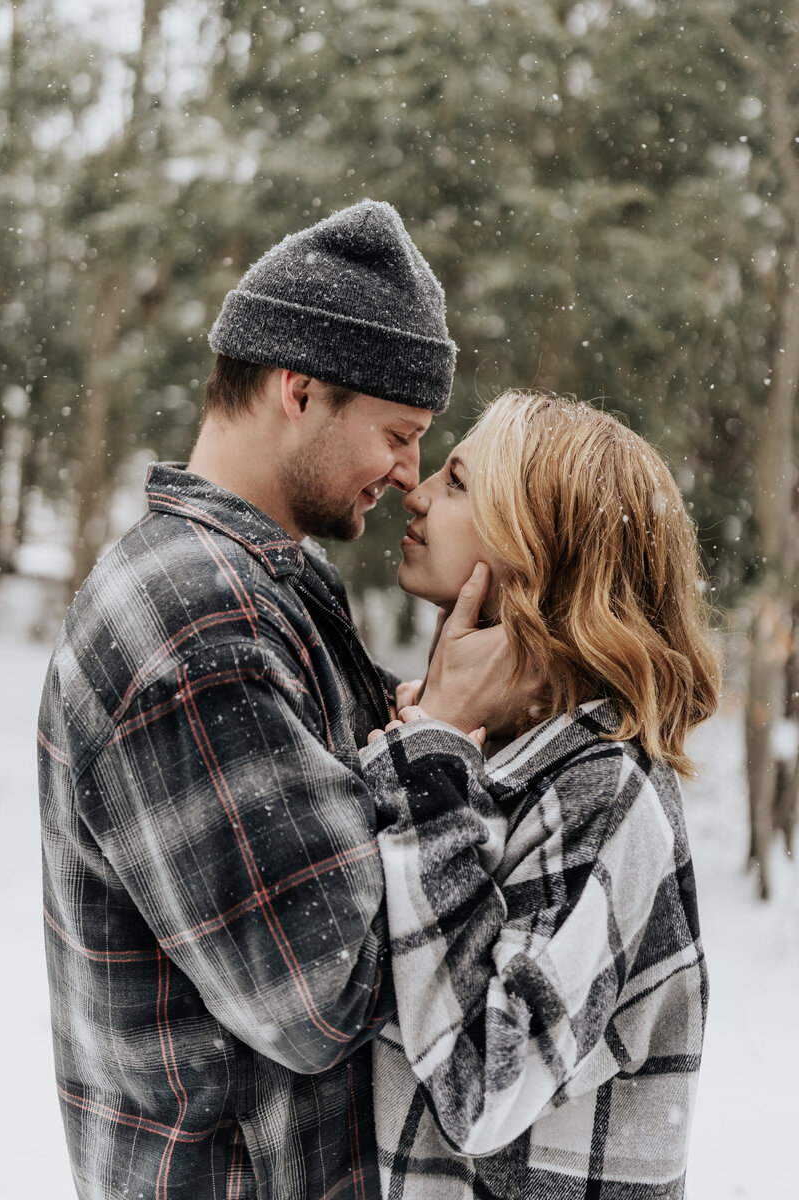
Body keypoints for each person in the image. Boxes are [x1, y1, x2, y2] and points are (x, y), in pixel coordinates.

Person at [37, 201, 526, 1200]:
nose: (406, 476)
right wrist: (430, 747)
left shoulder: (252, 592)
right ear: (297, 393)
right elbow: (321, 994)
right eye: (397, 434)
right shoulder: (201, 627)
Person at [360, 390, 721, 1200]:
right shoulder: (493, 756)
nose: (414, 494)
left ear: (540, 553)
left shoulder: (605, 796)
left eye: (456, 483)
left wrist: (433, 764)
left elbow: (480, 1084)